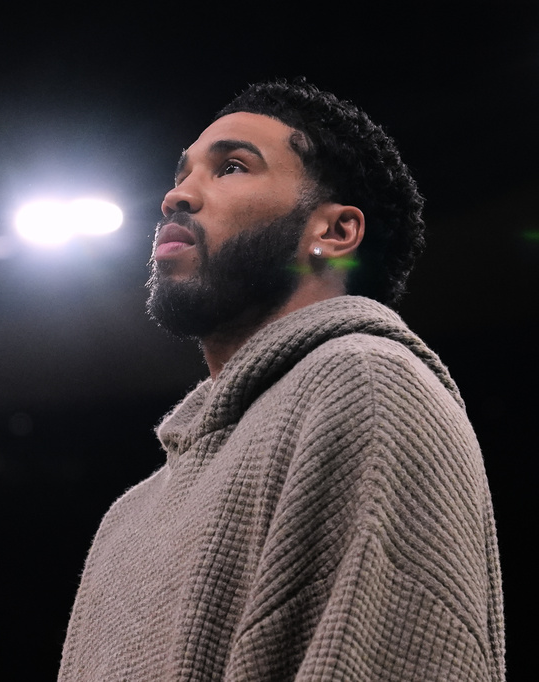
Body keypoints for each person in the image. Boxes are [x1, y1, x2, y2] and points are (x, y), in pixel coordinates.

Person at [58, 79, 505, 681]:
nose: (175, 197)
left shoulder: (367, 384)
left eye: (232, 167)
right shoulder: (125, 520)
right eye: (182, 172)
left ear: (334, 232)